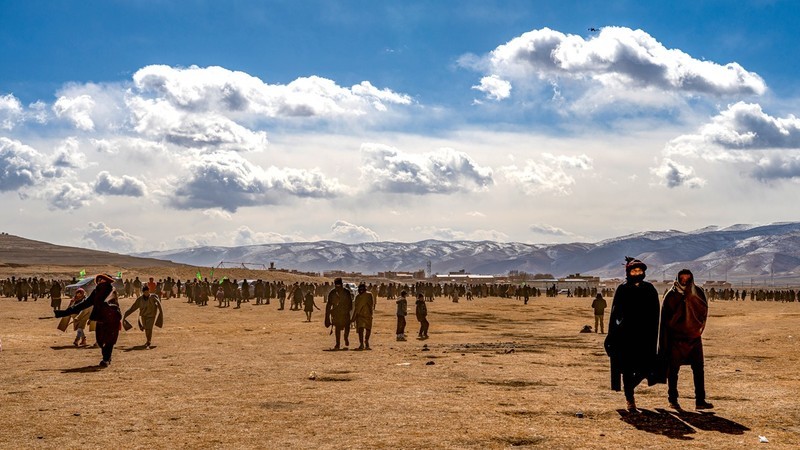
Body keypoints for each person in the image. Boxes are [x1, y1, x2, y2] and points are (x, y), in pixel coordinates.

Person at [604, 257, 660, 413]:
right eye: (634, 271)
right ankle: (630, 400)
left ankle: (628, 388)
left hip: (645, 337)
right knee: (627, 369)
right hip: (626, 337)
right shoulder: (623, 289)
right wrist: (615, 332)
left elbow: (655, 312)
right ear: (629, 272)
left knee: (645, 368)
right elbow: (615, 313)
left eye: (639, 271)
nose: (637, 273)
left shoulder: (649, 289)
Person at [659, 269, 714, 410]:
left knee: (698, 369)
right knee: (673, 370)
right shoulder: (671, 295)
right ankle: (673, 400)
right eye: (682, 277)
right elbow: (665, 319)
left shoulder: (697, 292)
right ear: (678, 278)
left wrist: (698, 327)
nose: (684, 280)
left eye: (687, 277)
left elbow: (703, 309)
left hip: (694, 337)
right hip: (676, 339)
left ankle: (700, 401)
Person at [55, 274, 122, 367]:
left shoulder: (111, 290)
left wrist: (107, 306)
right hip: (100, 319)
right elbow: (85, 304)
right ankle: (107, 358)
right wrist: (66, 312)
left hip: (112, 319)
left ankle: (106, 359)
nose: (99, 282)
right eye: (98, 280)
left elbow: (111, 301)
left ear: (106, 281)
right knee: (100, 340)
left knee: (109, 340)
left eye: (102, 280)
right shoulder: (96, 292)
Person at [325, 278, 353, 350]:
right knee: (337, 328)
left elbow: (350, 303)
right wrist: (327, 317)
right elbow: (328, 305)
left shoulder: (346, 292)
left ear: (341, 284)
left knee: (347, 326)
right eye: (336, 285)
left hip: (345, 313)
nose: (338, 287)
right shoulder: (332, 293)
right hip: (336, 314)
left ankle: (346, 337)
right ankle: (338, 343)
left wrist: (347, 310)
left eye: (339, 285)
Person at [352, 283, 374, 350]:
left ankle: (366, 341)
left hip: (368, 315)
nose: (361, 291)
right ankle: (361, 344)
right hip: (360, 315)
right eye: (360, 289)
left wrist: (370, 313)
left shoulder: (369, 295)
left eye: (362, 289)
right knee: (360, 330)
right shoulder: (358, 297)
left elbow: (371, 304)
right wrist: (354, 317)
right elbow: (356, 307)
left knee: (368, 329)